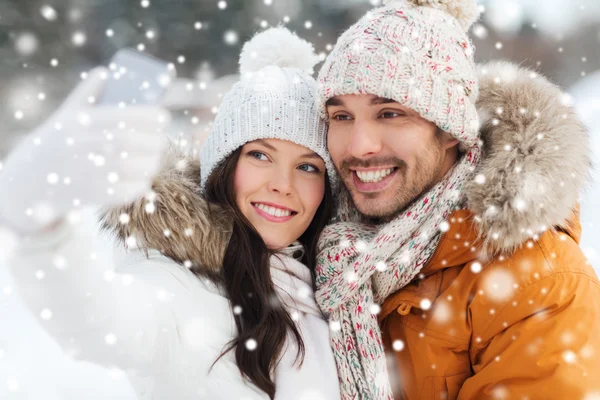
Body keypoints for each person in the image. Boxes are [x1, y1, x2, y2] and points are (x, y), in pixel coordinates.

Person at [1, 28, 341, 400]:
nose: (283, 184)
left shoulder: (332, 288)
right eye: (260, 155)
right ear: (223, 166)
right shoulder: (182, 285)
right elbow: (97, 320)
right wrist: (41, 218)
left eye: (308, 167)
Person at [313, 0, 600, 399]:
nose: (359, 147)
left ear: (452, 131)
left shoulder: (540, 281)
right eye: (341, 116)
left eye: (390, 113)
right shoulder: (314, 246)